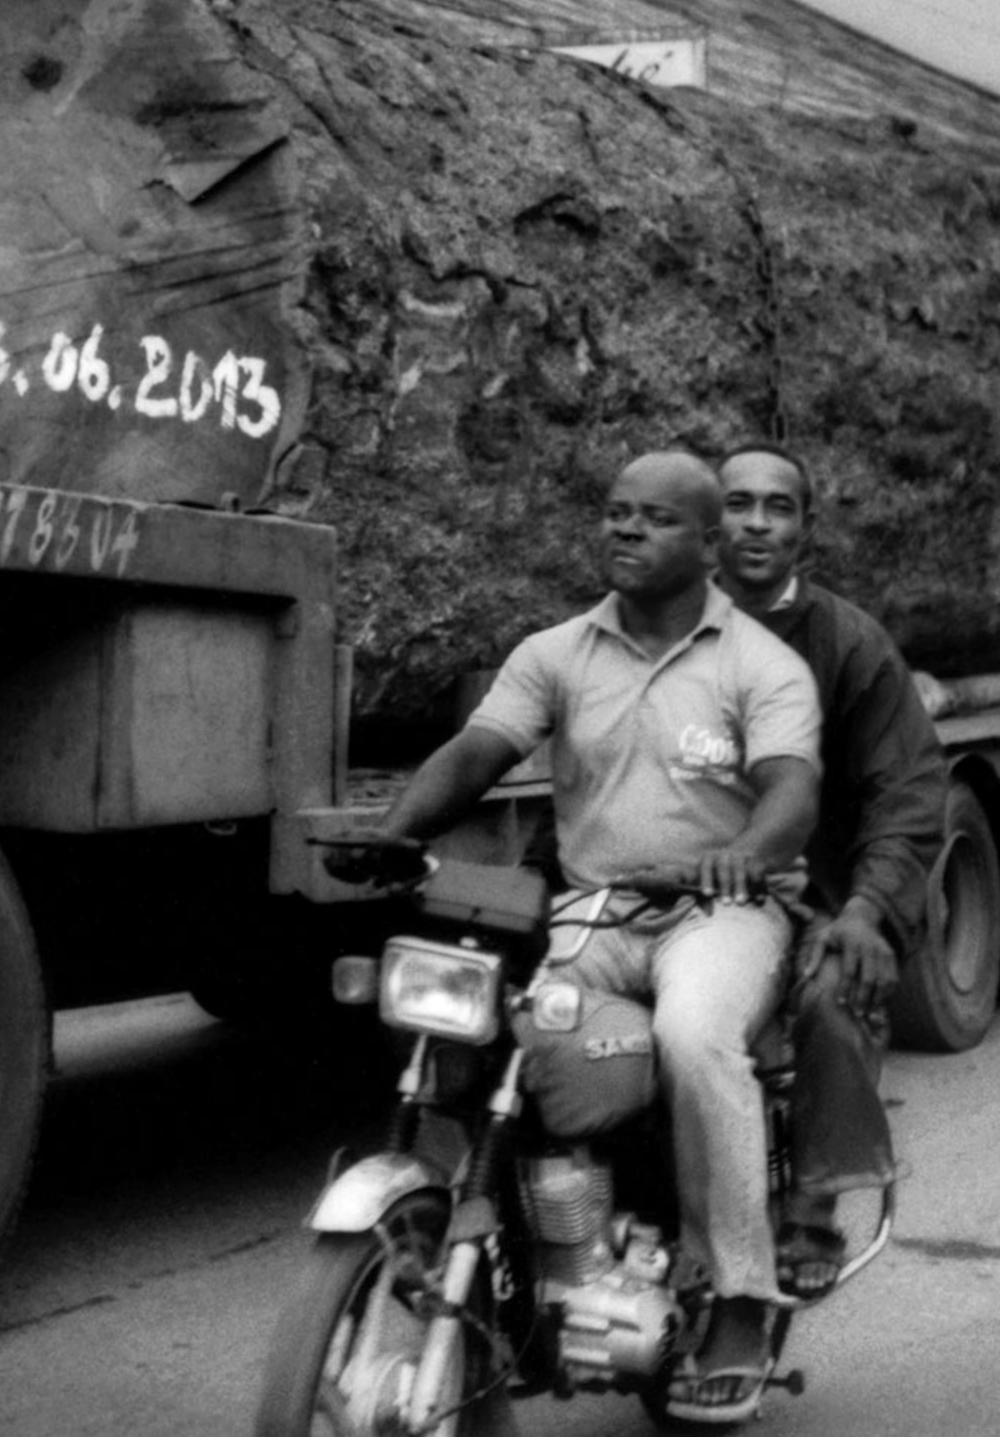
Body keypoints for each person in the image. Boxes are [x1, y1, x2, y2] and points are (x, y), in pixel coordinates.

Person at [347, 449, 820, 1426]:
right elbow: (480, 750)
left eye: (653, 519)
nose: (625, 531)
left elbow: (790, 792)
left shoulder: (761, 666)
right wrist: (398, 828)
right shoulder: (556, 652)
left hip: (722, 914)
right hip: (596, 910)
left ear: (707, 542)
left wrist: (741, 855)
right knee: (500, 1029)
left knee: (693, 1034)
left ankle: (738, 1299)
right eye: (615, 513)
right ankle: (516, 1258)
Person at [715, 443, 949, 1297]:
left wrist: (865, 906)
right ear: (712, 519)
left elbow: (909, 786)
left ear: (806, 527)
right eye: (738, 503)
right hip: (678, 897)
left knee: (835, 987)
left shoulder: (848, 642)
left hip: (810, 900)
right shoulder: (667, 627)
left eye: (778, 507)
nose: (756, 523)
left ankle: (810, 1204)